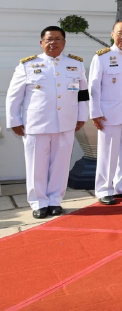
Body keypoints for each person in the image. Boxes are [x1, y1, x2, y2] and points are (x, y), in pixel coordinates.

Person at [5, 27, 88, 218]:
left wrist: (82, 116)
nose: (53, 43)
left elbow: (83, 94)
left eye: (58, 39)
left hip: (66, 122)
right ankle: (38, 202)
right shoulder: (28, 65)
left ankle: (55, 200)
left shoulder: (75, 64)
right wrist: (14, 120)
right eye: (49, 39)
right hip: (37, 124)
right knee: (36, 165)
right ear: (41, 42)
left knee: (60, 164)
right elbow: (14, 96)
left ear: (64, 42)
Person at [90, 21, 122, 205]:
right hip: (109, 113)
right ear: (112, 34)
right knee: (108, 152)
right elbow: (94, 87)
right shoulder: (102, 57)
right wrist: (95, 112)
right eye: (120, 33)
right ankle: (104, 189)